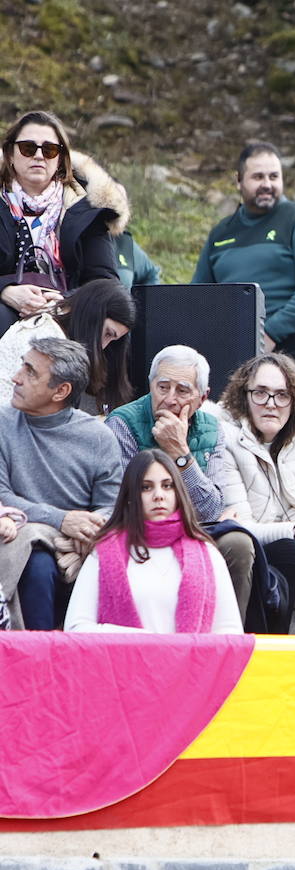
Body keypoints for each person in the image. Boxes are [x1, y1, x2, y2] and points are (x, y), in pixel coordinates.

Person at [106, 345, 258, 623]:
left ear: (202, 398)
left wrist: (180, 454)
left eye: (183, 390)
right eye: (162, 387)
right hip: (142, 528)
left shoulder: (211, 429)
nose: (170, 399)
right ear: (151, 385)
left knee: (239, 543)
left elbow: (211, 511)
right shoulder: (122, 423)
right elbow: (124, 502)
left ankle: (225, 640)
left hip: (195, 529)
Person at [192, 141, 295, 391]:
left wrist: (269, 334)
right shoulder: (220, 233)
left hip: (293, 350)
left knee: (283, 424)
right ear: (239, 181)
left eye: (274, 176)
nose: (267, 184)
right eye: (258, 176)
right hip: (232, 353)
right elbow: (198, 296)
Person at [0, 338, 121, 629]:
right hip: (21, 543)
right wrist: (61, 519)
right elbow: (2, 496)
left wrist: (86, 540)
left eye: (30, 372)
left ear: (61, 391)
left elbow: (112, 504)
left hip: (79, 549)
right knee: (39, 564)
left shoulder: (98, 437)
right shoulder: (2, 424)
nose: (16, 378)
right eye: (22, 366)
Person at [215, 353, 295, 619]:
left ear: (294, 400)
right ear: (244, 395)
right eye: (260, 393)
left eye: (282, 395)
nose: (271, 404)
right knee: (288, 549)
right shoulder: (224, 437)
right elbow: (239, 526)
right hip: (248, 550)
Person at [64, 450, 241, 634]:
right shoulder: (102, 553)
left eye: (167, 486)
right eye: (146, 487)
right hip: (124, 663)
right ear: (131, 496)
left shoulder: (208, 554)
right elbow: (76, 628)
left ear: (178, 492)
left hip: (192, 663)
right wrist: (146, 643)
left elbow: (230, 634)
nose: (158, 495)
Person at [0, 111, 127, 333]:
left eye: (49, 150)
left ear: (60, 159)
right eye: (28, 148)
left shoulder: (86, 209)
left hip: (67, 317)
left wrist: (63, 303)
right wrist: (5, 291)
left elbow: (105, 283)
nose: (39, 156)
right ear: (10, 154)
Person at [0, 277, 136, 414]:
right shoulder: (48, 339)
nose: (103, 346)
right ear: (91, 314)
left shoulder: (54, 320)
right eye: (107, 333)